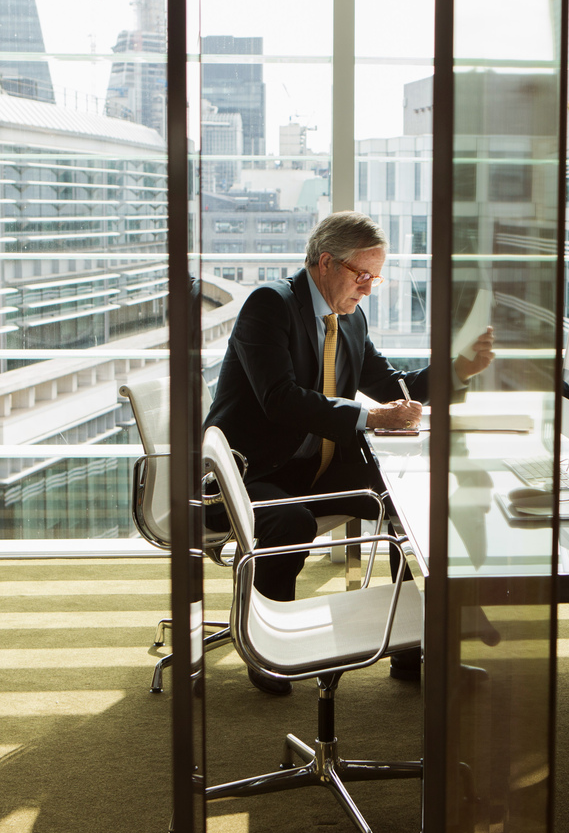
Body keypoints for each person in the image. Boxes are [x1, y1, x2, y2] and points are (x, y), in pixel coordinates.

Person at [205, 211, 494, 693]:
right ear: (326, 263)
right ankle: (265, 647)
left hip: (315, 468)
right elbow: (280, 398)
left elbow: (391, 384)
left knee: (408, 501)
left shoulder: (350, 319)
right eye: (363, 275)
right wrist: (371, 418)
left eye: (376, 277)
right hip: (250, 471)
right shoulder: (270, 305)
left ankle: (409, 647)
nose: (369, 288)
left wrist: (460, 368)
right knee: (290, 521)